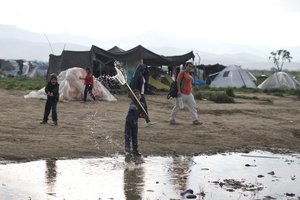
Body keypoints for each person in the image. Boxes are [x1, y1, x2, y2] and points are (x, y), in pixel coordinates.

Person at [124, 89, 145, 156]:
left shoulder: (142, 104)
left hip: (135, 123)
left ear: (140, 96)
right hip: (129, 122)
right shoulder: (133, 103)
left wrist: (142, 114)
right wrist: (137, 108)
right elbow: (132, 108)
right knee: (128, 137)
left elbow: (141, 114)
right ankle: (127, 151)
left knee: (135, 137)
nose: (137, 95)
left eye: (138, 94)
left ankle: (135, 150)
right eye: (135, 94)